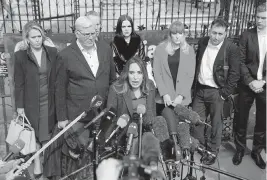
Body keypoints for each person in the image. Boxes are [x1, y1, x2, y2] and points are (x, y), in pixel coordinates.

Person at [48, 16, 116, 180]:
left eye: (93, 33)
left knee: (103, 155)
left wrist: (112, 106)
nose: (91, 37)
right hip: (78, 114)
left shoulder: (105, 49)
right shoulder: (65, 55)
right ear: (76, 33)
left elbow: (113, 80)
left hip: (103, 112)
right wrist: (62, 118)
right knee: (81, 158)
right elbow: (60, 89)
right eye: (86, 34)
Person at [191, 18, 240, 165]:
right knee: (196, 120)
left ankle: (212, 151)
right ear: (209, 30)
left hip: (217, 91)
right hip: (200, 89)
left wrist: (224, 94)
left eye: (220, 34)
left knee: (216, 124)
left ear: (225, 34)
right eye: (214, 33)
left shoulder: (230, 48)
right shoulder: (203, 42)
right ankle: (199, 147)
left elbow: (234, 74)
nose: (216, 37)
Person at [14, 21, 58, 178]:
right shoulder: (20, 56)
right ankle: (37, 162)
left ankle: (48, 164)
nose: (38, 40)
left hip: (49, 100)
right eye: (34, 37)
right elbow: (18, 83)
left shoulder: (52, 52)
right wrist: (19, 106)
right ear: (27, 38)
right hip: (31, 102)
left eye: (40, 36)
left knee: (48, 133)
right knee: (35, 134)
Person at [232, 2, 266, 169]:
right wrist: (250, 81)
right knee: (241, 118)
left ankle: (257, 151)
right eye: (257, 17)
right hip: (247, 84)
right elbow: (240, 60)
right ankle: (240, 148)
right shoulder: (246, 35)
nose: (259, 21)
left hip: (265, 86)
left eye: (263, 18)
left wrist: (263, 80)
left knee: (262, 120)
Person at [106, 56, 159, 163]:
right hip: (124, 135)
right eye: (132, 73)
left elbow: (152, 114)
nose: (135, 77)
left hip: (144, 134)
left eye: (139, 73)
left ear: (144, 74)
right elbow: (110, 118)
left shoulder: (150, 86)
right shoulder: (116, 88)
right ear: (127, 74)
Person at [153, 20, 196, 115]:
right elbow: (157, 73)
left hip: (182, 98)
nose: (177, 36)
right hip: (164, 98)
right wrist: (164, 94)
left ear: (183, 35)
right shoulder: (160, 49)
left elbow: (190, 76)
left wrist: (180, 96)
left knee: (180, 127)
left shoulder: (189, 50)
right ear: (170, 34)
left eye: (180, 33)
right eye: (174, 33)